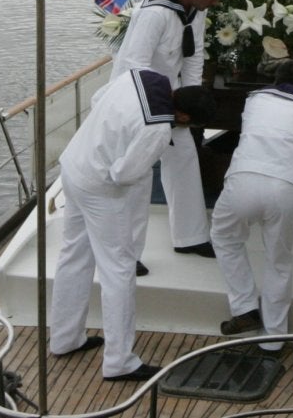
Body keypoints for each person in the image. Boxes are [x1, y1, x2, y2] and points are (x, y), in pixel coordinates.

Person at [49, 69, 218, 381]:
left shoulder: (141, 77)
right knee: (119, 270)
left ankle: (65, 338)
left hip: (73, 167)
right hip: (99, 188)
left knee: (73, 255)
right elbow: (124, 175)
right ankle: (119, 361)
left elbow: (98, 98)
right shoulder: (157, 129)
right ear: (182, 115)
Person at [110, 0, 230, 256]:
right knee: (137, 177)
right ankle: (127, 251)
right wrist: (165, 110)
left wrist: (191, 98)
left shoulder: (195, 11)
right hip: (138, 100)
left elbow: (194, 55)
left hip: (172, 97)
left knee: (185, 156)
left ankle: (190, 237)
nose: (215, 3)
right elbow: (135, 66)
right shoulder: (156, 15)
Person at [212, 60, 293, 352]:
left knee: (224, 237)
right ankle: (274, 339)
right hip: (289, 185)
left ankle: (245, 307)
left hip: (244, 178)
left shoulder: (255, 100)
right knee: (278, 260)